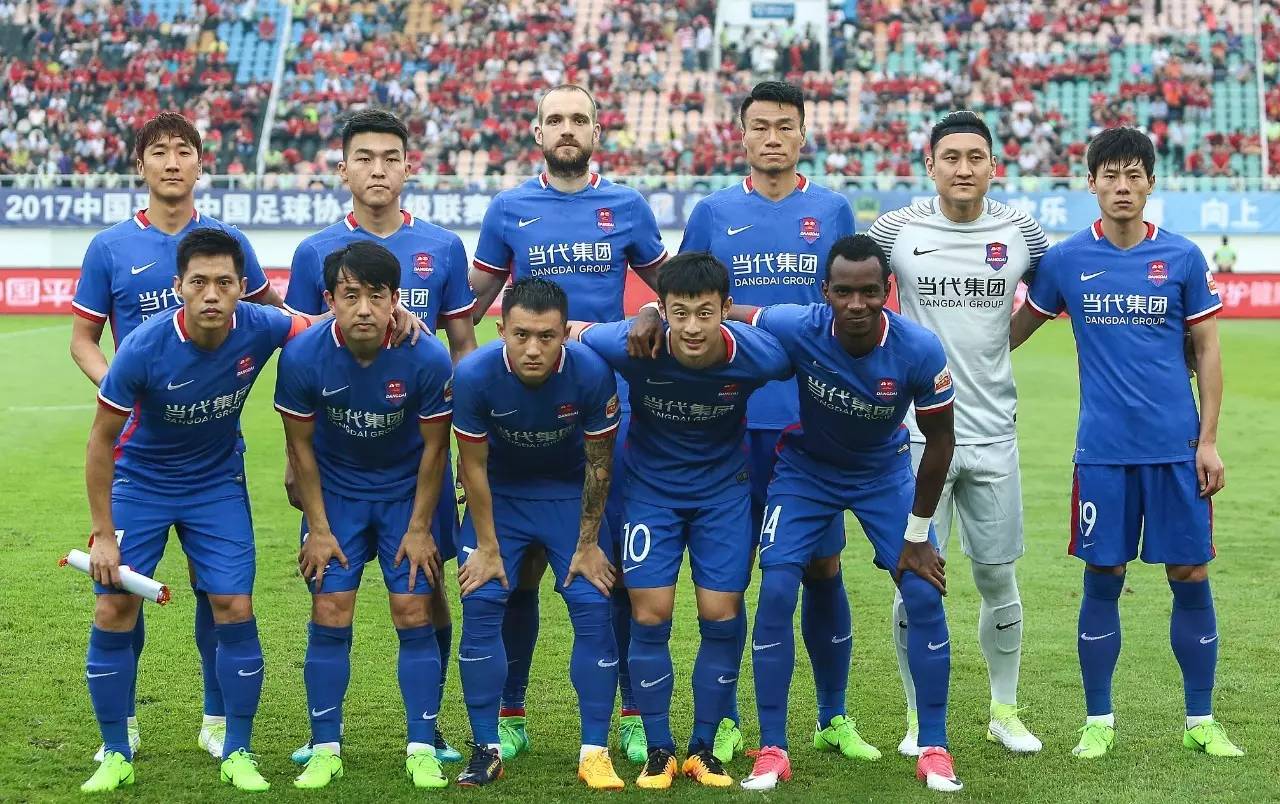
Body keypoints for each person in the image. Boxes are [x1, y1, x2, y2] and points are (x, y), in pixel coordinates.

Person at [649, 79, 868, 765]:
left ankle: (832, 715)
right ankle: (727, 718)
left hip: (809, 420)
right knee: (730, 572)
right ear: (741, 135)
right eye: (760, 126)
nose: (773, 137)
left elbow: (846, 311)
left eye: (785, 126)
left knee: (822, 566)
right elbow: (683, 299)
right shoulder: (714, 212)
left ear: (804, 134)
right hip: (731, 422)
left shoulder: (832, 210)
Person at [1010, 126, 1240, 760]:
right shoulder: (1065, 260)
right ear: (1091, 183)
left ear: (1150, 183)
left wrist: (1209, 442)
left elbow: (1207, 351)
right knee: (1103, 575)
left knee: (1189, 574)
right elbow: (1012, 333)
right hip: (1103, 453)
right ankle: (1098, 721)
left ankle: (1200, 720)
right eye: (1109, 175)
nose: (1121, 186)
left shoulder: (1183, 257)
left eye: (1133, 175)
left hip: (1176, 449)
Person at [69, 111, 284, 763]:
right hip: (139, 449)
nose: (171, 162)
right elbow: (83, 340)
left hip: (213, 455)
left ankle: (217, 719)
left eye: (183, 150)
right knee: (122, 594)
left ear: (200, 163)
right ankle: (122, 728)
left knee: (216, 590)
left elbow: (274, 319)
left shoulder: (227, 243)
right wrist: (123, 390)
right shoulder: (110, 247)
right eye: (157, 151)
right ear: (140, 165)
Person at [468, 84, 668, 764]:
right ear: (537, 133)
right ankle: (511, 711)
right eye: (555, 119)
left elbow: (672, 291)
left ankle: (633, 714)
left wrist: (652, 311)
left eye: (578, 119)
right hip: (524, 414)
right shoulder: (509, 208)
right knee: (519, 574)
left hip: (609, 410)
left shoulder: (628, 206)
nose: (566, 129)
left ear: (596, 131)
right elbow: (470, 306)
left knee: (613, 570)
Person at [79, 228, 311, 793]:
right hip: (141, 481)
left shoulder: (263, 325)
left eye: (224, 283)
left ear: (242, 287)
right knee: (114, 608)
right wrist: (103, 534)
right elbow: (100, 443)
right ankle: (115, 751)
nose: (212, 294)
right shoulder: (142, 348)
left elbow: (321, 327)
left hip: (215, 484)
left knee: (234, 604)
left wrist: (394, 315)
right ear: (179, 286)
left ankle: (237, 749)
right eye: (199, 282)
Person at [733, 234, 964, 793]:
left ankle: (934, 747)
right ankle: (773, 749)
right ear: (825, 292)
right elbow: (733, 311)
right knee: (778, 590)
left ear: (888, 289)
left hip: (882, 474)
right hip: (806, 472)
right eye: (843, 292)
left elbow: (940, 441)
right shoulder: (798, 324)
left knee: (924, 593)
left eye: (869, 292)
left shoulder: (919, 349)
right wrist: (653, 309)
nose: (856, 304)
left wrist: (917, 535)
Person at [284, 108, 475, 765]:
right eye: (363, 158)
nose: (377, 170)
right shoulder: (314, 252)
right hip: (337, 460)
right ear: (344, 169)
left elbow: (463, 345)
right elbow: (301, 346)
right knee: (330, 599)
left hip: (416, 458)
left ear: (408, 167)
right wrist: (294, 467)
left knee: (427, 591)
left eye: (390, 157)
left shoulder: (443, 248)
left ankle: (430, 726)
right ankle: (324, 736)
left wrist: (466, 442)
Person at [572, 253, 791, 789]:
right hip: (651, 496)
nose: (692, 327)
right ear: (663, 310)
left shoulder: (758, 355)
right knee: (650, 614)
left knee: (721, 613)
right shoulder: (634, 343)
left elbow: (801, 356)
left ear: (725, 309)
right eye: (680, 313)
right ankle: (659, 749)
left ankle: (703, 748)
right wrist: (643, 315)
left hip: (723, 496)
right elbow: (572, 332)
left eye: (705, 313)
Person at [867, 110, 1048, 755]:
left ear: (993, 165)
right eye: (951, 157)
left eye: (976, 157)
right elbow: (855, 292)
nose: (964, 168)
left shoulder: (1022, 231)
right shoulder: (895, 230)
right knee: (914, 579)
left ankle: (1005, 711)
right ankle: (918, 719)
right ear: (930, 166)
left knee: (997, 578)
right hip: (917, 439)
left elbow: (1050, 292)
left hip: (994, 434)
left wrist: (1002, 344)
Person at [274, 242, 456, 790]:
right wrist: (318, 528)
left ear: (396, 299)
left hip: (406, 495)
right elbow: (300, 449)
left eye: (377, 296)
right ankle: (324, 747)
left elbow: (435, 450)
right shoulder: (302, 356)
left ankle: (422, 746)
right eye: (350, 295)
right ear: (329, 299)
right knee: (329, 609)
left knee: (414, 610)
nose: (364, 309)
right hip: (337, 496)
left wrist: (420, 528)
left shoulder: (427, 357)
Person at [450, 277, 625, 789]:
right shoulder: (474, 375)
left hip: (567, 494)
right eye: (521, 334)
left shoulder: (592, 371)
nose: (533, 349)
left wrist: (588, 544)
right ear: (500, 330)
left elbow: (599, 464)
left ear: (565, 334)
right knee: (481, 599)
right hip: (500, 494)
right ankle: (486, 748)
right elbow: (472, 468)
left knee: (593, 603)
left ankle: (594, 751)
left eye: (547, 337)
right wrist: (487, 548)